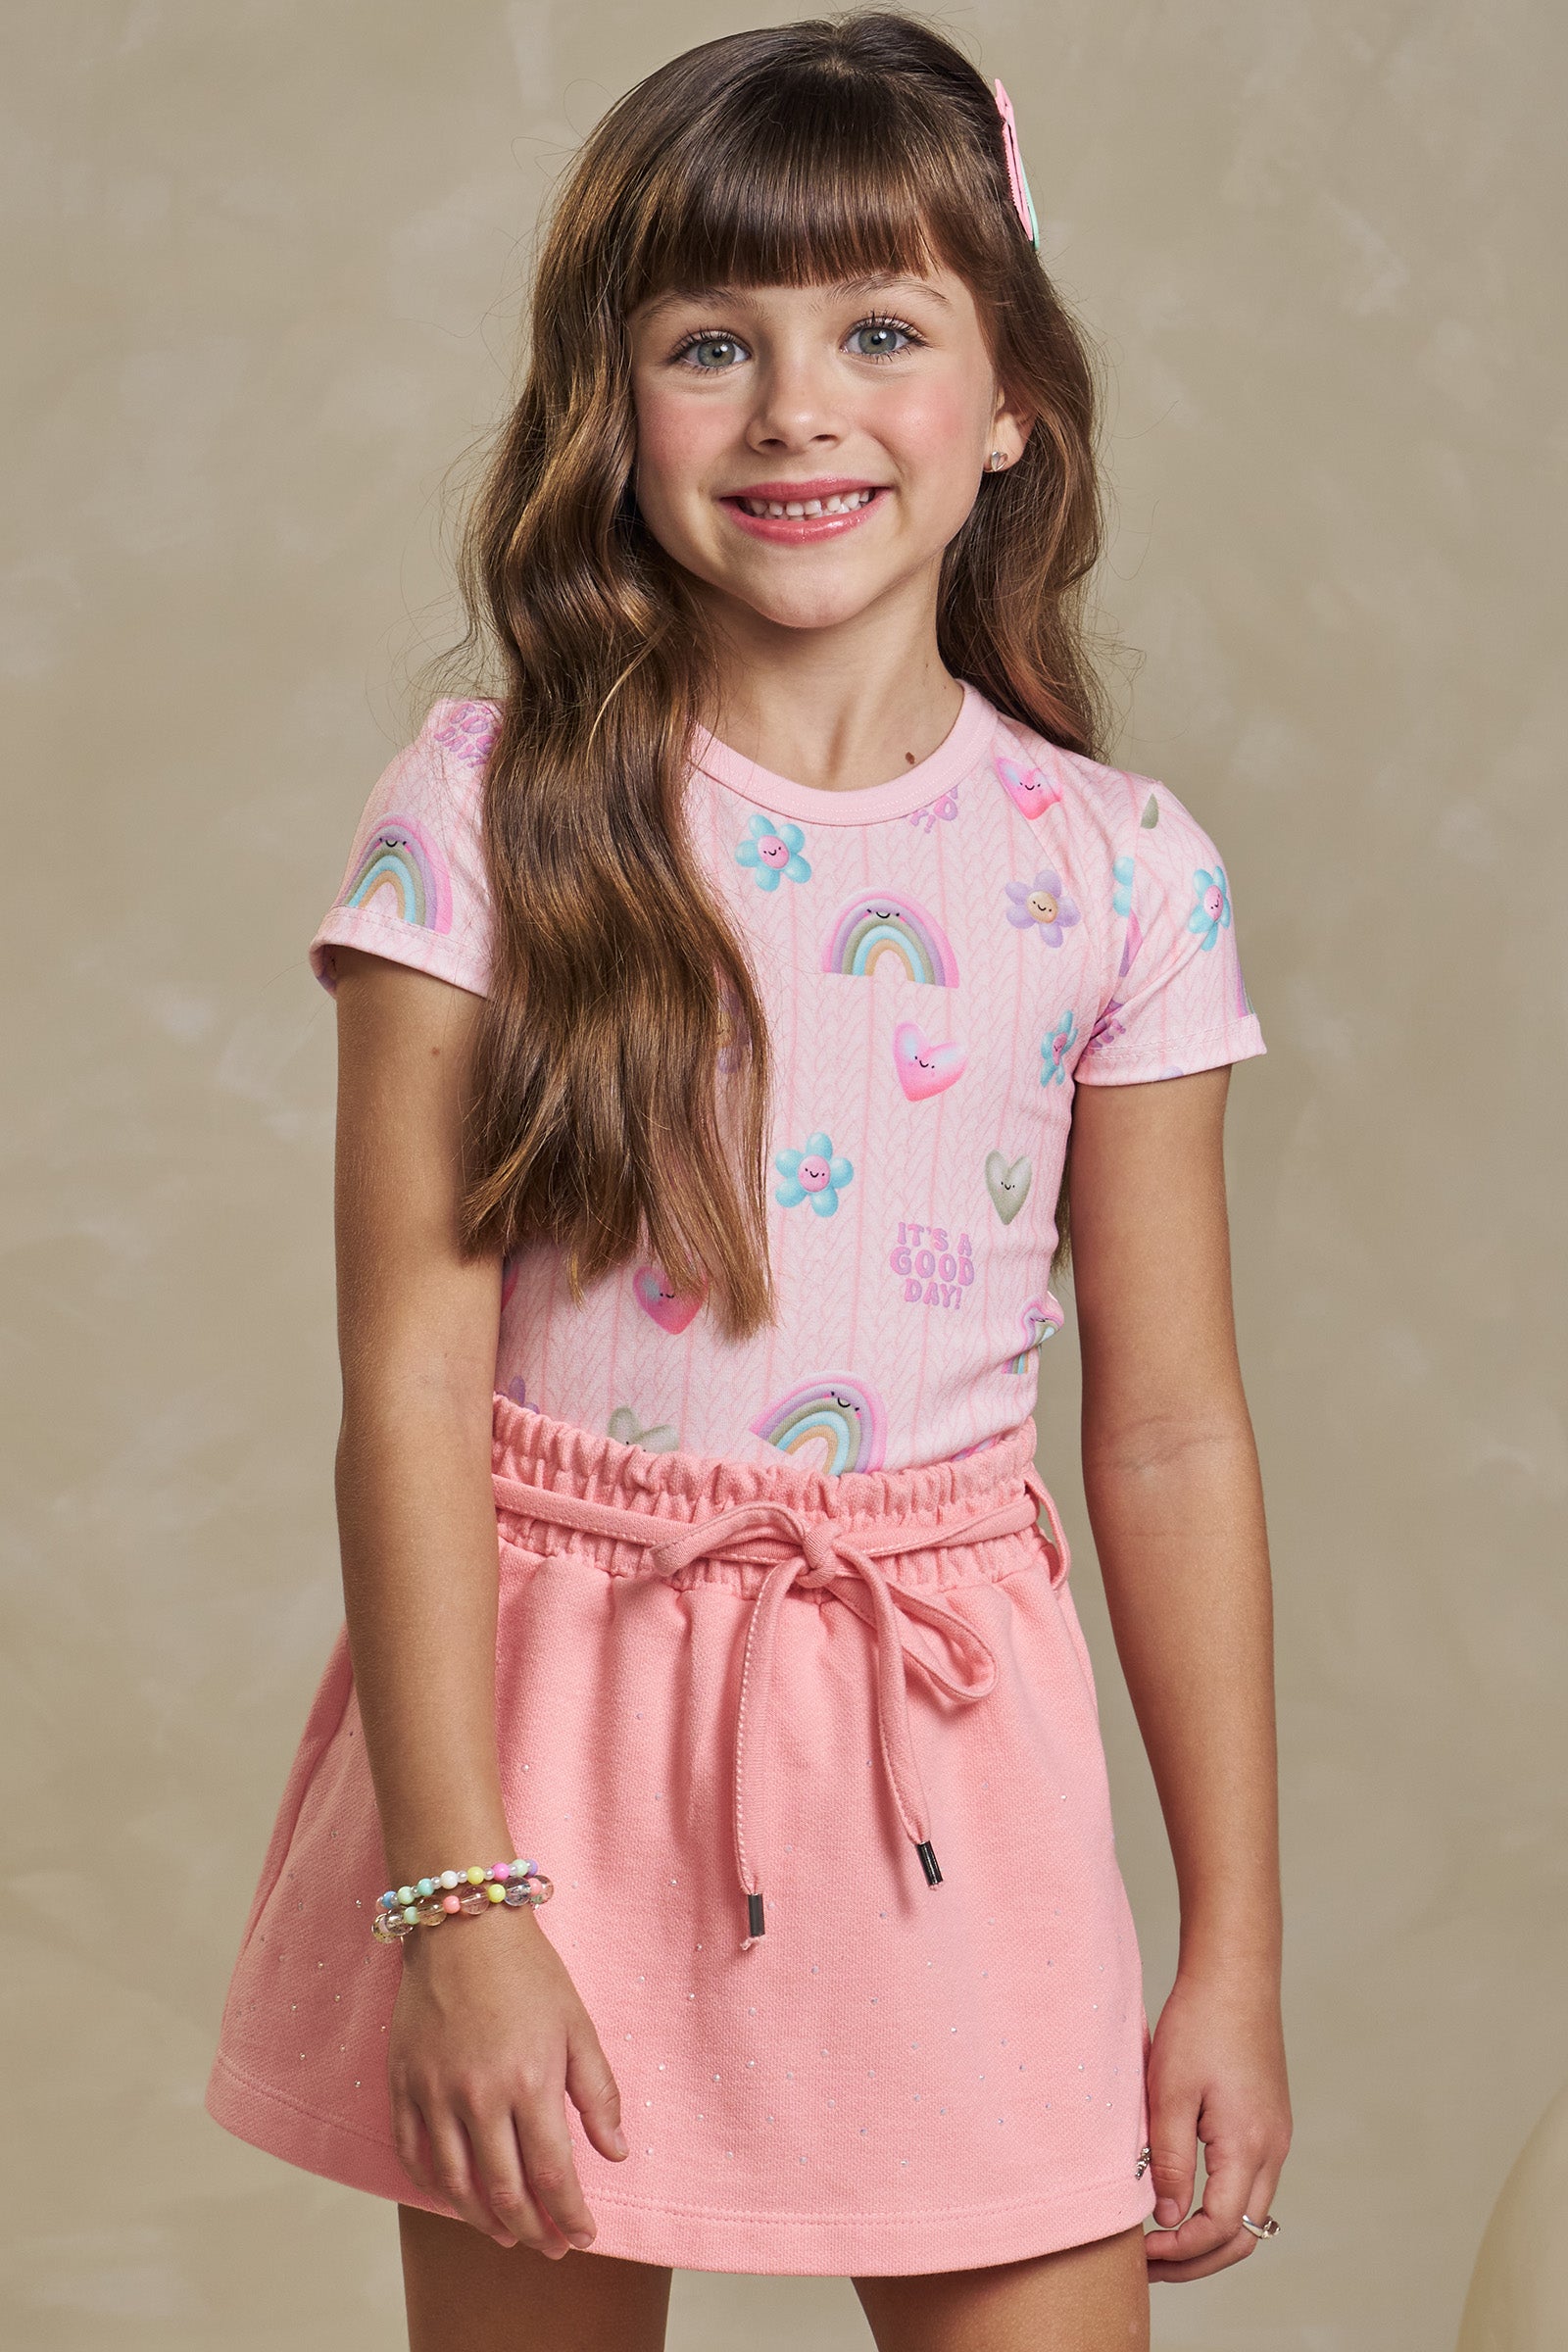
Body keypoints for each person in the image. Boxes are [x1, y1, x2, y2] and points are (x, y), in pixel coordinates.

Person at [206, 14, 1291, 2346]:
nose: (800, 407)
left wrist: (1230, 1951)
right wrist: (456, 1898)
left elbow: (1168, 1432)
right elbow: (412, 1390)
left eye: (879, 331)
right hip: (544, 1768)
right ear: (615, 412)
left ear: (1008, 404)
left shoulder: (1117, 872)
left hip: (945, 1762)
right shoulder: (487, 814)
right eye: (713, 343)